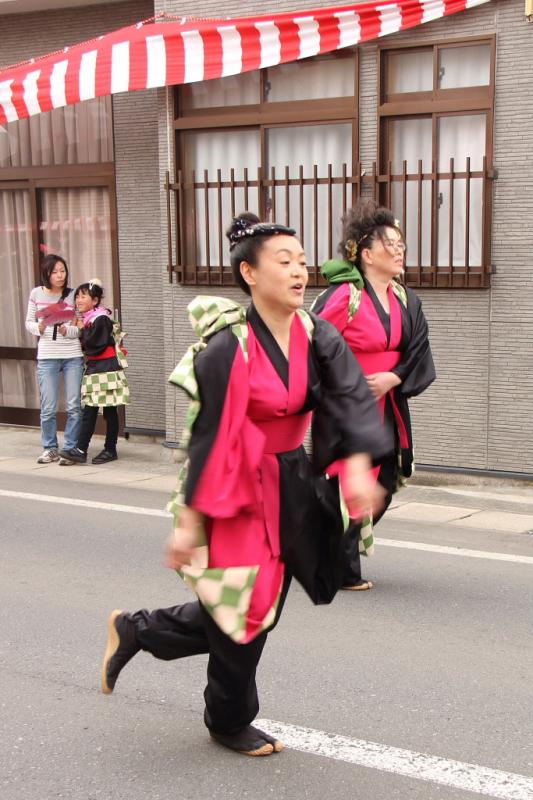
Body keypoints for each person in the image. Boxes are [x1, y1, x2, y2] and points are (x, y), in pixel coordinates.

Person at [100, 213, 390, 757]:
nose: (301, 271)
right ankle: (228, 719)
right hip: (233, 481)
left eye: (303, 261)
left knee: (255, 607)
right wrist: (190, 520)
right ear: (249, 273)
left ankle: (140, 630)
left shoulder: (317, 333)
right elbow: (207, 437)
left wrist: (354, 465)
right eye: (285, 262)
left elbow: (348, 395)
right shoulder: (227, 346)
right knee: (249, 610)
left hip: (288, 478)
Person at [312, 199, 436, 591]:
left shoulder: (405, 299)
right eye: (390, 245)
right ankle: (340, 567)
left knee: (384, 480)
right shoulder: (342, 297)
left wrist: (393, 377)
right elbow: (310, 344)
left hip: (386, 403)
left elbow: (418, 348)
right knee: (349, 484)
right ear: (366, 253)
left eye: (401, 245)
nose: (399, 251)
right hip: (347, 407)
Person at [59, 279, 129, 465]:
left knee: (107, 410)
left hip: (105, 368)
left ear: (95, 300)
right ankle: (85, 449)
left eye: (83, 296)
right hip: (98, 368)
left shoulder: (100, 318)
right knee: (93, 409)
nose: (79, 300)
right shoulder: (92, 319)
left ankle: (106, 449)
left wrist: (82, 330)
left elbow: (96, 345)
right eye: (77, 297)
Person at [25, 254, 84, 465]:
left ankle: (69, 450)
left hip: (72, 355)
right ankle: (50, 448)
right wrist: (38, 328)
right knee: (48, 406)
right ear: (47, 274)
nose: (60, 275)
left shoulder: (73, 294)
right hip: (48, 355)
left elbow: (80, 327)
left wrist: (67, 330)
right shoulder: (36, 293)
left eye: (63, 271)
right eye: (55, 272)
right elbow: (28, 322)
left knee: (74, 405)